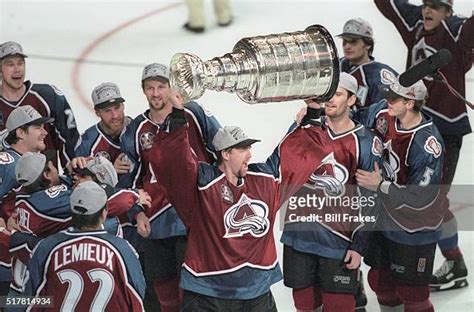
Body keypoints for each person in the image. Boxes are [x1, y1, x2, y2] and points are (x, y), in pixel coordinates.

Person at [374, 0, 473, 291]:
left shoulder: (455, 30)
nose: (427, 10)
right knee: (413, 199)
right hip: (412, 127)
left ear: (448, 11)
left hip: (444, 130)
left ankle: (452, 262)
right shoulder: (416, 23)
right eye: (425, 4)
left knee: (431, 201)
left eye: (436, 6)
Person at [118, 63, 221, 312]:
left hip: (195, 217)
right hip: (156, 221)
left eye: (161, 86)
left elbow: (222, 149)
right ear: (143, 91)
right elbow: (128, 177)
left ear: (171, 87)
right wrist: (136, 212)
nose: (156, 93)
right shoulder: (135, 130)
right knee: (163, 287)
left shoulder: (193, 113)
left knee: (196, 285)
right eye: (150, 88)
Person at [281, 73, 382, 312]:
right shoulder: (304, 128)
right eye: (327, 94)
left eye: (337, 94)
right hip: (299, 236)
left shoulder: (365, 142)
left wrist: (359, 246)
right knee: (305, 306)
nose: (330, 100)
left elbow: (370, 199)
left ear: (351, 100)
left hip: (338, 242)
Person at [355, 78, 447, 312]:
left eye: (394, 98)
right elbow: (354, 117)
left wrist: (381, 186)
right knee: (380, 280)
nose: (387, 101)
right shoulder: (383, 114)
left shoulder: (427, 143)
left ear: (409, 104)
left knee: (413, 292)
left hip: (415, 226)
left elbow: (421, 198)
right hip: (384, 216)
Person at [25, 181, 145, 311]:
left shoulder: (46, 247)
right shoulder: (123, 249)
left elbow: (29, 300)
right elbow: (137, 296)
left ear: (72, 211)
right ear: (104, 213)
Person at [0, 41, 81, 168]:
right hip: (7, 183)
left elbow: (69, 138)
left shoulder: (48, 96)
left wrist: (72, 171)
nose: (17, 69)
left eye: (20, 63)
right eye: (10, 64)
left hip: (46, 181)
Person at [0, 105, 53, 295]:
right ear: (21, 132)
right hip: (5, 266)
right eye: (38, 127)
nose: (44, 132)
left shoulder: (34, 164)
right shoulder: (7, 162)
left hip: (23, 265)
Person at [337, 18, 398, 109]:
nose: (347, 46)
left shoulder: (379, 74)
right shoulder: (334, 66)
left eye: (353, 41)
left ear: (368, 44)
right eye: (344, 42)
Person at [75, 82, 133, 175]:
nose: (114, 115)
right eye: (107, 111)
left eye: (117, 108)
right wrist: (109, 172)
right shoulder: (86, 143)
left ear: (123, 106)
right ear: (97, 112)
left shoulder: (140, 130)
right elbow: (80, 181)